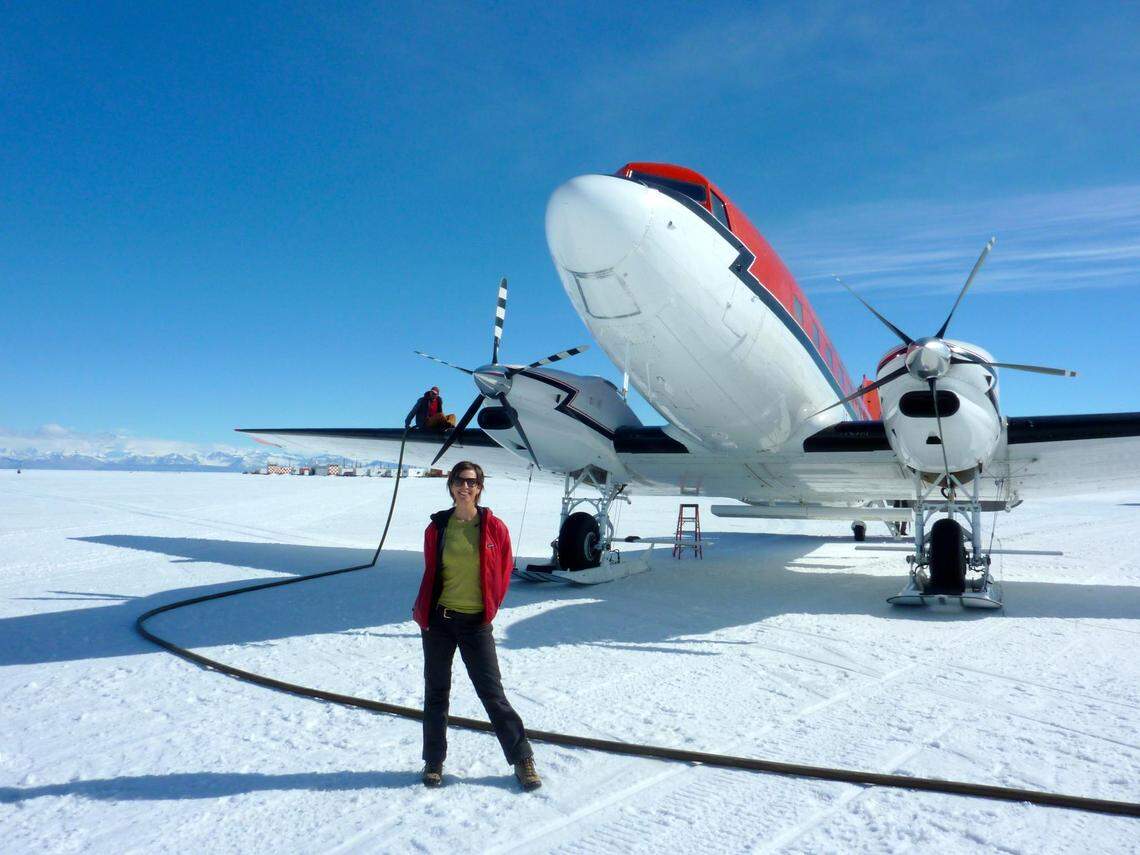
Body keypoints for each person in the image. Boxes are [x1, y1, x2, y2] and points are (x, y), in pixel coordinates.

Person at [411, 460, 541, 791]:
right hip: (439, 621)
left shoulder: (494, 527)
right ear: (451, 486)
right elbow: (432, 571)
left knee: (492, 694)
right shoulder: (438, 527)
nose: (464, 487)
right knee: (436, 692)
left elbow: (502, 572)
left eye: (471, 482)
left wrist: (488, 608)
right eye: (459, 481)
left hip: (475, 624)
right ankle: (434, 761)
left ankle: (522, 758)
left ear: (480, 487)